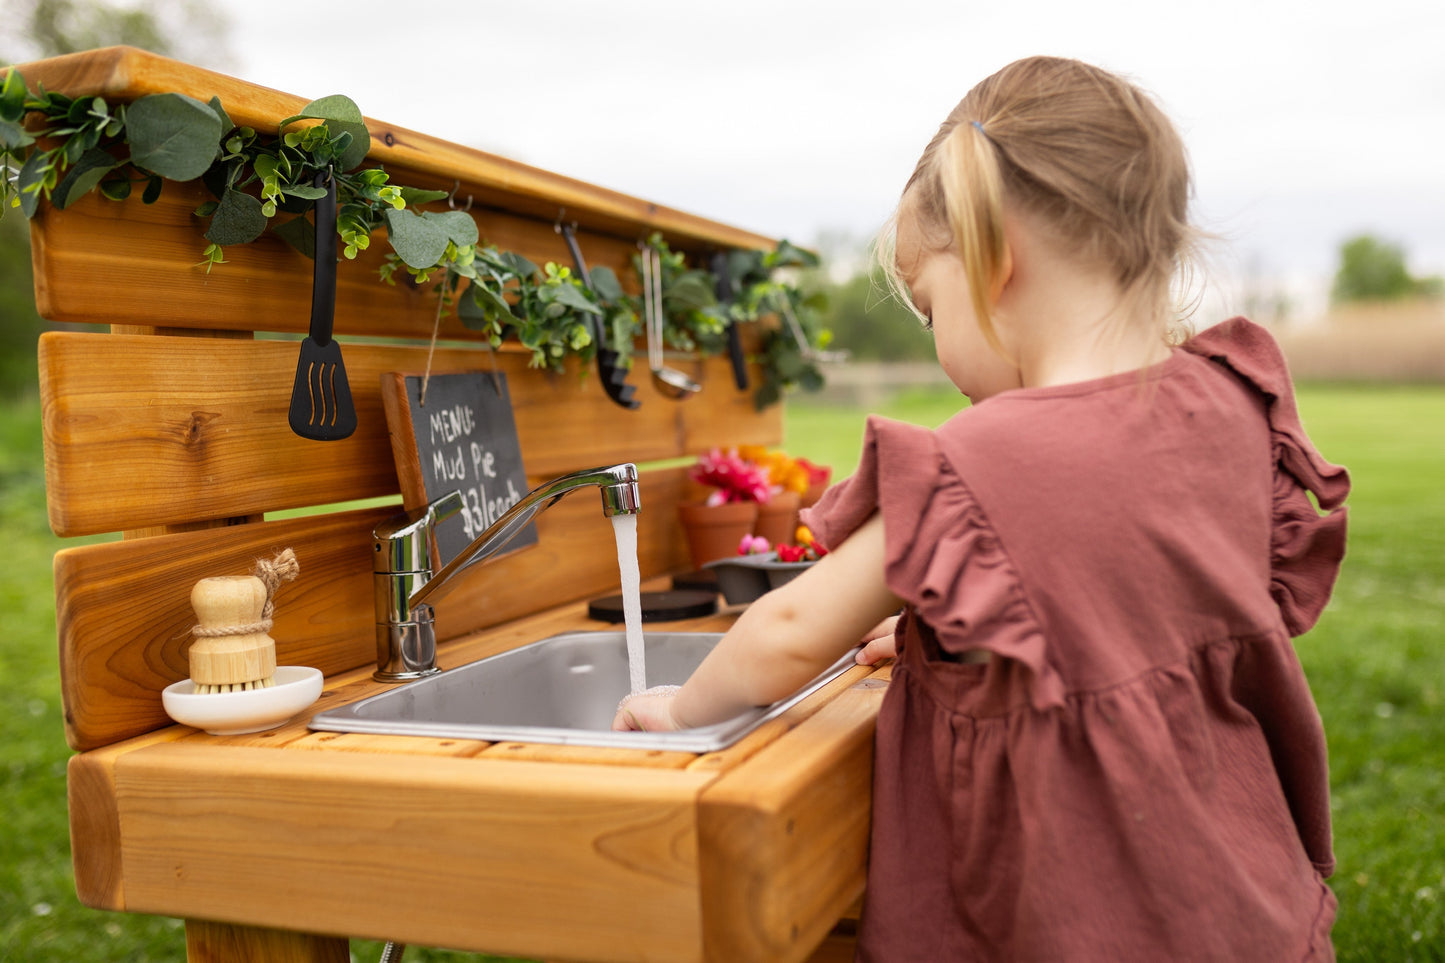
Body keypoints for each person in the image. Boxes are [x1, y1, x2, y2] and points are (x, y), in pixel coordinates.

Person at [614, 55, 1347, 961]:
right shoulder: (1229, 401)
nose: (935, 341)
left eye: (928, 307)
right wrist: (948, 639)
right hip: (1238, 894)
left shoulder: (982, 460)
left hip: (1073, 915)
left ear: (993, 259)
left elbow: (793, 627)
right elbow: (1121, 593)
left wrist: (680, 710)